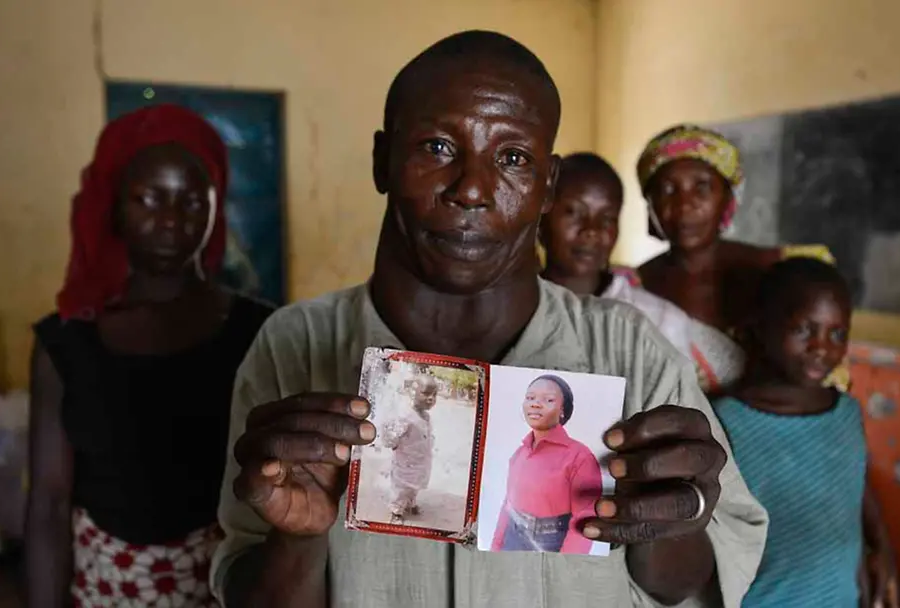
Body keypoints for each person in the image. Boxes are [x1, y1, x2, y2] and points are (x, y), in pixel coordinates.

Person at [213, 31, 768, 608]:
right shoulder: (294, 344)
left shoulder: (630, 350)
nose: (473, 189)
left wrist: (675, 517)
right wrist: (297, 538)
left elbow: (682, 586)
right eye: (437, 147)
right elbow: (252, 587)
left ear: (548, 186)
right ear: (382, 161)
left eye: (513, 158)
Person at [25, 104, 275, 607]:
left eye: (192, 201)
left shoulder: (262, 331)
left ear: (216, 207)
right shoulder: (66, 343)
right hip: (105, 592)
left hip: (226, 588)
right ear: (114, 206)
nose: (171, 220)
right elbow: (49, 506)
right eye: (149, 199)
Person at [712, 258, 898, 607]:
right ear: (761, 326)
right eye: (803, 329)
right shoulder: (725, 420)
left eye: (837, 334)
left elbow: (856, 483)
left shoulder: (846, 412)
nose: (821, 347)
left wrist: (882, 547)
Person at [634, 124, 848, 394]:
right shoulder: (632, 287)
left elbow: (826, 377)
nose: (684, 204)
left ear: (728, 199)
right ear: (650, 205)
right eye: (667, 190)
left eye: (702, 187)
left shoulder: (787, 274)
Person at [539, 152, 692, 358]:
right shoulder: (509, 311)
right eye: (574, 212)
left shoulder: (660, 322)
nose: (591, 230)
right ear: (539, 220)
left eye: (607, 218)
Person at [491, 375, 601, 554]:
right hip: (512, 537)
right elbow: (508, 504)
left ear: (562, 410)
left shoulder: (580, 457)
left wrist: (566, 564)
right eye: (530, 398)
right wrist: (495, 546)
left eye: (548, 400)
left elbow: (586, 519)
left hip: (551, 544)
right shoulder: (519, 453)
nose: (535, 404)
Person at [382, 375, 439, 521]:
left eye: (434, 395)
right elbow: (391, 436)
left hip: (420, 461)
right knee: (401, 487)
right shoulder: (405, 416)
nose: (431, 398)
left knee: (415, 486)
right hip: (405, 461)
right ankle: (396, 510)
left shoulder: (426, 416)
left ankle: (410, 503)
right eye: (425, 393)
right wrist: (393, 443)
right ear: (413, 392)